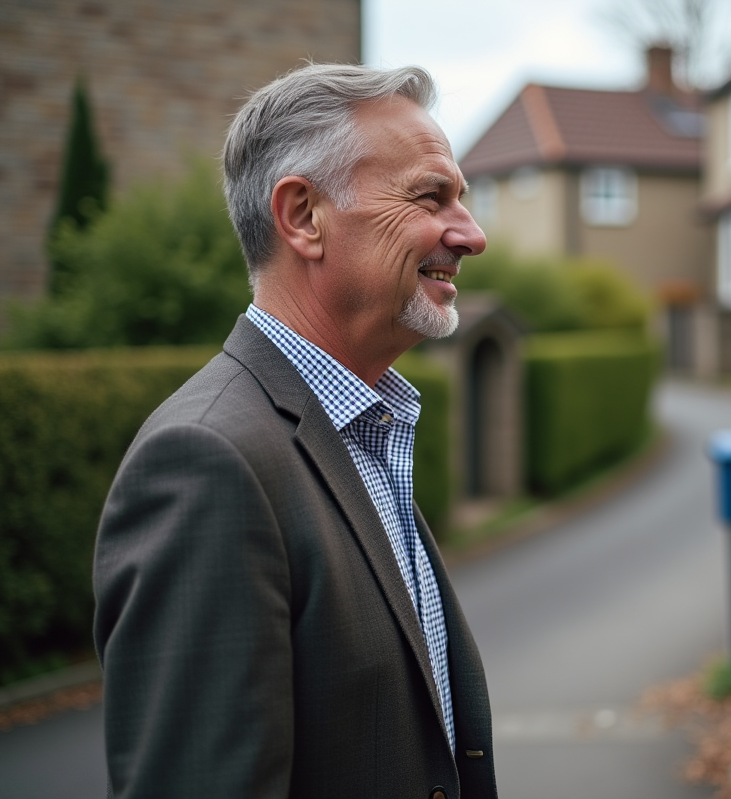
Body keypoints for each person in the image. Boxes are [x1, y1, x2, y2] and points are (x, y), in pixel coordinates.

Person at [93, 63, 495, 799]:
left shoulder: (363, 429)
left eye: (461, 200)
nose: (472, 234)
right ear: (305, 217)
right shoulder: (208, 463)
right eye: (431, 196)